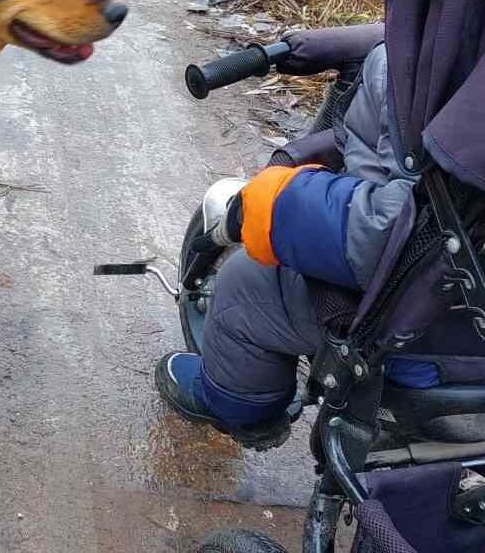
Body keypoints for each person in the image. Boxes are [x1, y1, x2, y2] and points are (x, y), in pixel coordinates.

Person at [154, 41, 444, 447]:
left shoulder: (433, 77)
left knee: (246, 285)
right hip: (470, 310)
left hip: (425, 325)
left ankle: (240, 405)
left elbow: (394, 229)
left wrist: (276, 205)